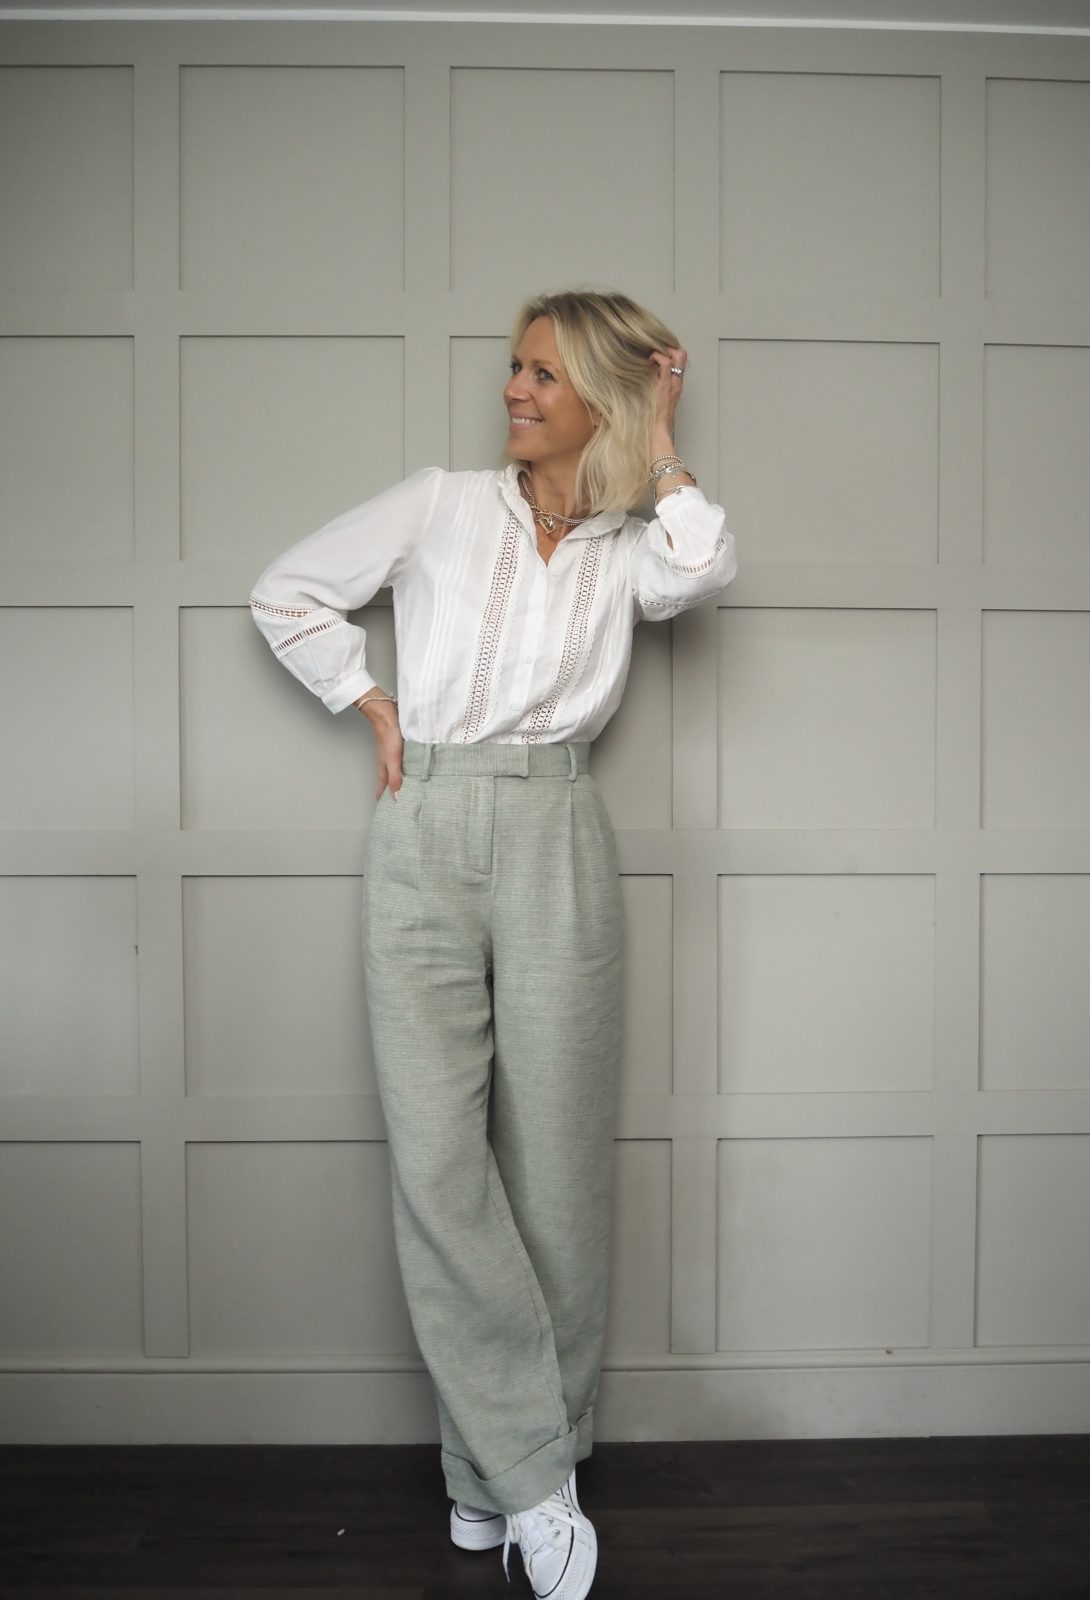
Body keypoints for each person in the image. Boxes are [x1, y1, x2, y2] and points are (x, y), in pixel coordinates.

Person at [248, 288, 736, 1600]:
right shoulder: (439, 504)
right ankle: (534, 1475)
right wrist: (370, 699)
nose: (514, 391)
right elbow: (286, 590)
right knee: (438, 1163)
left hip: (558, 826)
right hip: (425, 825)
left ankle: (492, 1476)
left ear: (601, 397)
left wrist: (663, 431)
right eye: (514, 369)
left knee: (557, 1171)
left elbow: (705, 564)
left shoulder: (630, 546)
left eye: (544, 374)